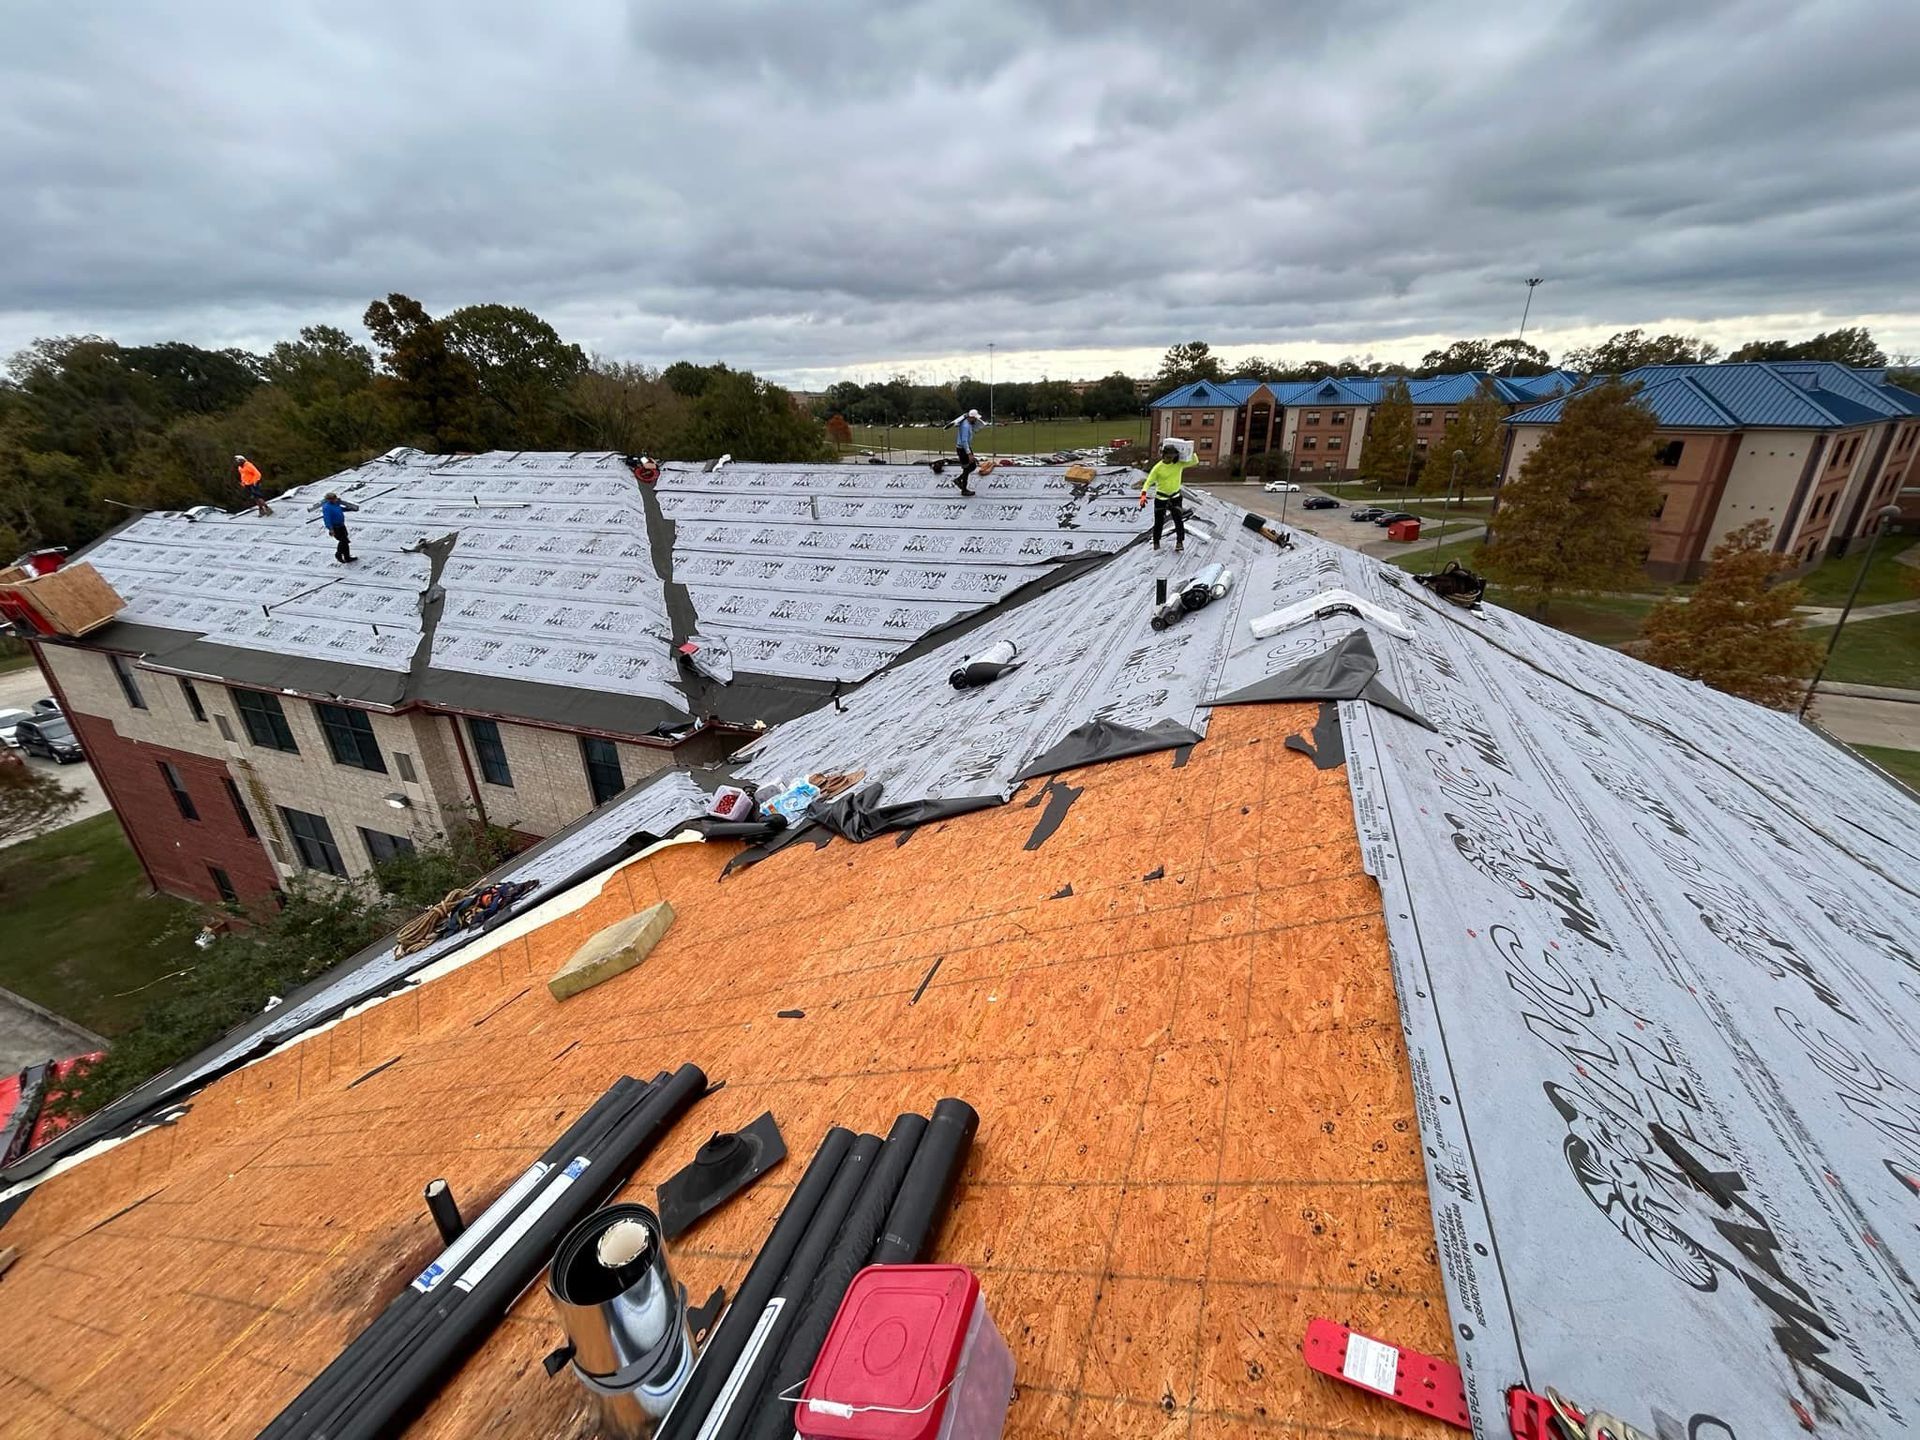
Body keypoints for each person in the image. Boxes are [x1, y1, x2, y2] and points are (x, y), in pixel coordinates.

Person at [1140, 442, 1198, 552]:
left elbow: (1195, 461)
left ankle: (1179, 542)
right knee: (1159, 522)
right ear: (1163, 455)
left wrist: (1189, 450)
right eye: (1168, 457)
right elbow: (1148, 482)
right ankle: (1156, 542)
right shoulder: (1158, 468)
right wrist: (1143, 495)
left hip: (1175, 497)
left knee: (1178, 520)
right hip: (1161, 498)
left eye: (1172, 457)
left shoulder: (1179, 464)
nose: (1170, 459)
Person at [951, 408, 988, 496]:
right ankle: (964, 489)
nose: (976, 420)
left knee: (973, 466)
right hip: (963, 449)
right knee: (967, 468)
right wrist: (969, 454)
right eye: (975, 418)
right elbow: (964, 441)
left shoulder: (967, 423)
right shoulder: (965, 426)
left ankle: (959, 479)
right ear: (971, 418)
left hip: (965, 448)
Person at [319, 492, 360, 563]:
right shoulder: (327, 507)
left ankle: (347, 557)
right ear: (330, 500)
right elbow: (327, 519)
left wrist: (351, 508)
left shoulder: (335, 504)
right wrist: (331, 529)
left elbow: (340, 509)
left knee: (345, 542)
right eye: (334, 499)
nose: (336, 500)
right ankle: (338, 554)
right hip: (335, 527)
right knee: (343, 541)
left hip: (341, 525)